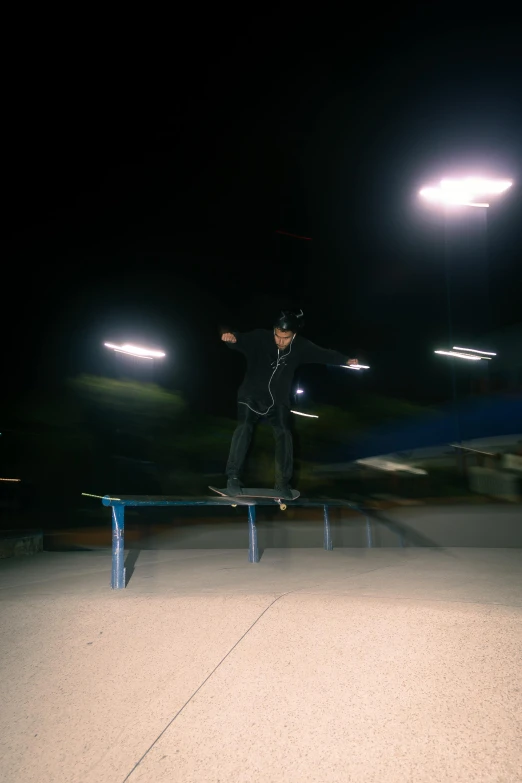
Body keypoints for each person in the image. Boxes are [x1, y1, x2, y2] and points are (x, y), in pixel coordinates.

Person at [221, 310, 358, 498]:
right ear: (274, 330)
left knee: (284, 434)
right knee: (244, 427)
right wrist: (231, 338)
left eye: (286, 338)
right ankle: (233, 478)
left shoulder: (301, 346)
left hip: (278, 400)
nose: (280, 341)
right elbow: (240, 340)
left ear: (294, 335)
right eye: (278, 336)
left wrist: (344, 360)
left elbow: (322, 353)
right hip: (250, 396)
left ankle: (282, 483)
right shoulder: (260, 337)